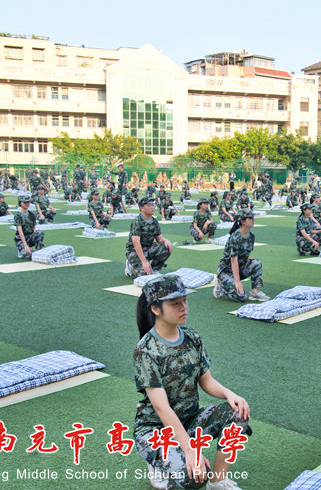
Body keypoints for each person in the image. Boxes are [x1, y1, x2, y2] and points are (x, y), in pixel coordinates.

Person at [133, 275, 251, 490]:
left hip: (188, 421)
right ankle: (158, 461)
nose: (183, 307)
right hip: (156, 430)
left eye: (184, 301)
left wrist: (229, 394)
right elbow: (161, 407)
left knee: (237, 412)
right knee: (193, 478)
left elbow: (206, 381)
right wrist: (189, 450)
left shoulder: (192, 337)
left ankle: (217, 482)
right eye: (174, 303)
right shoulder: (146, 350)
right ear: (155, 309)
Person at [213, 209, 269, 302]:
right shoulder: (235, 237)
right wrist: (237, 281)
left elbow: (244, 253)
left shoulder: (251, 236)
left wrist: (245, 259)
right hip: (226, 270)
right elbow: (233, 260)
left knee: (256, 263)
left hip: (239, 267)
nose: (253, 220)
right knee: (241, 297)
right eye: (250, 218)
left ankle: (255, 293)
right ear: (242, 221)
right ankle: (222, 285)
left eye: (253, 217)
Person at [125, 197, 172, 277]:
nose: (152, 207)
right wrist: (144, 262)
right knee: (143, 275)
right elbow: (136, 243)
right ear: (142, 208)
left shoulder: (154, 222)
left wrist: (166, 241)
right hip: (134, 251)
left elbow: (159, 239)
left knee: (165, 247)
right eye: (149, 205)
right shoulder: (137, 221)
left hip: (148, 248)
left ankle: (154, 269)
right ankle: (130, 266)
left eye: (153, 205)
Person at [14, 193, 44, 259]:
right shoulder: (18, 216)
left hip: (29, 237)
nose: (27, 204)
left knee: (39, 233)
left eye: (28, 202)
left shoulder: (31, 214)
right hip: (21, 239)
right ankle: (22, 249)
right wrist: (25, 245)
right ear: (20, 203)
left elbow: (34, 228)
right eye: (25, 203)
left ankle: (38, 250)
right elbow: (20, 231)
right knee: (27, 256)